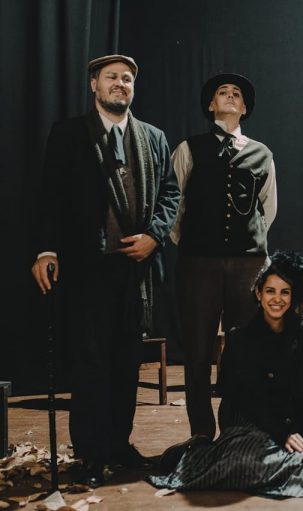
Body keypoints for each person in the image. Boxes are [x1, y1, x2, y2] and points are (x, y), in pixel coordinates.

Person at [30, 55, 180, 487]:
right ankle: (91, 453)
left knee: (127, 362)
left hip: (136, 270)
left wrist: (154, 235)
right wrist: (45, 250)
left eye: (127, 78)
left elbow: (170, 194)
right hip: (88, 269)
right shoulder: (69, 134)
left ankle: (118, 444)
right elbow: (51, 196)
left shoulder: (153, 137)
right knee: (91, 363)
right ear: (93, 85)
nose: (120, 84)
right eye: (111, 77)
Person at [148, 252, 303, 496]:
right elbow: (241, 398)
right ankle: (197, 457)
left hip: (296, 422)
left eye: (285, 292)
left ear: (293, 295)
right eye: (270, 291)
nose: (277, 299)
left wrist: (294, 432)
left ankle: (240, 465)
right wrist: (280, 432)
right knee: (247, 459)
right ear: (258, 293)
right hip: (253, 420)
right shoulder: (240, 338)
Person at [171, 73, 277, 441]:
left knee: (242, 348)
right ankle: (201, 431)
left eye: (236, 94)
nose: (230, 96)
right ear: (211, 104)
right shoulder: (189, 148)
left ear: (244, 108)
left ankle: (238, 428)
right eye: (222, 92)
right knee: (198, 349)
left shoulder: (262, 153)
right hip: (199, 262)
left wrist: (249, 246)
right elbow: (175, 203)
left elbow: (268, 209)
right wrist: (193, 244)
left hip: (247, 264)